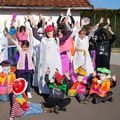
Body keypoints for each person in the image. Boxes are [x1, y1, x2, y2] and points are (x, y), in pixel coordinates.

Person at [32, 16, 72, 94]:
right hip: (45, 62)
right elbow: (35, 35)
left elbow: (67, 36)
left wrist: (67, 24)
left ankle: (55, 91)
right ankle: (45, 91)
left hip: (54, 62)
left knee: (54, 75)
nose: (49, 33)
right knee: (45, 75)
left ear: (53, 31)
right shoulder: (43, 40)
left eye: (50, 31)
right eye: (47, 31)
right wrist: (34, 26)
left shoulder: (57, 40)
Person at [6, 34, 34, 98]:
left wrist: (30, 33)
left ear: (28, 47)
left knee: (28, 81)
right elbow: (16, 43)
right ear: (22, 47)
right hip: (22, 69)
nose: (25, 48)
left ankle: (28, 92)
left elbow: (32, 42)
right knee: (22, 80)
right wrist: (10, 38)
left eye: (26, 47)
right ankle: (22, 92)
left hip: (29, 69)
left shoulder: (30, 51)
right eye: (23, 47)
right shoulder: (21, 51)